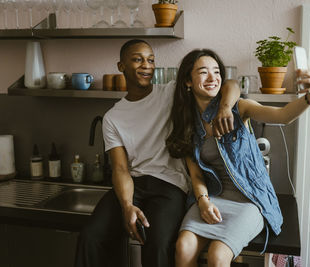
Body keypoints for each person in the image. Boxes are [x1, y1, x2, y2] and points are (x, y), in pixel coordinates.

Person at [74, 40, 240, 267]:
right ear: (121, 66)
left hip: (170, 186)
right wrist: (127, 206)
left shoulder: (171, 93)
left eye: (151, 60)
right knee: (91, 237)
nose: (146, 65)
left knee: (159, 242)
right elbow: (121, 169)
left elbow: (231, 84)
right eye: (137, 59)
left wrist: (225, 107)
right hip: (134, 183)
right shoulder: (113, 117)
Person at [166, 49, 310, 266]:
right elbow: (196, 174)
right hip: (213, 197)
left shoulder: (238, 108)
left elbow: (283, 116)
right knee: (183, 248)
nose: (212, 78)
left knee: (217, 256)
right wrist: (203, 203)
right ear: (188, 81)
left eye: (216, 71)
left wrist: (309, 98)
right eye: (203, 72)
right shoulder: (186, 121)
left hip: (250, 200)